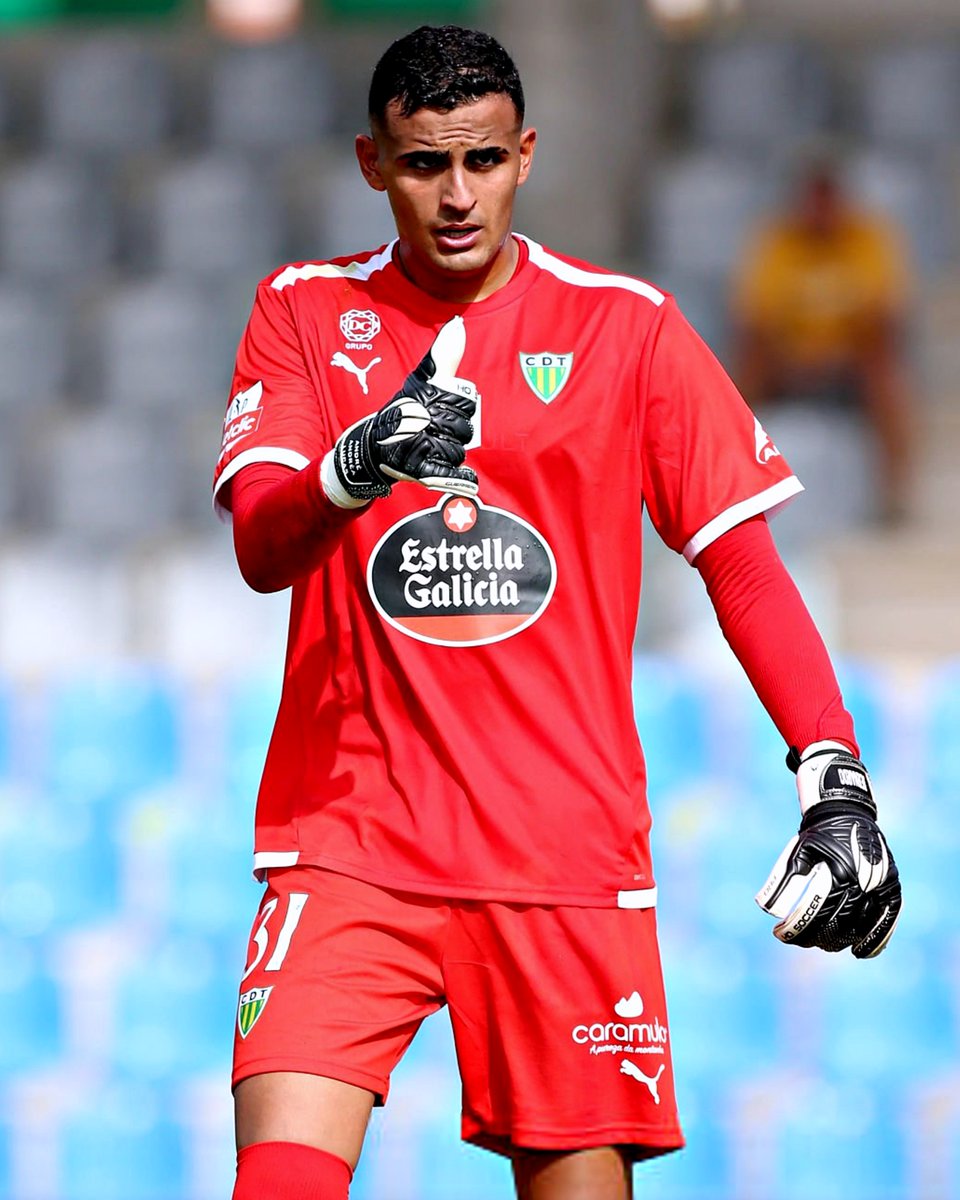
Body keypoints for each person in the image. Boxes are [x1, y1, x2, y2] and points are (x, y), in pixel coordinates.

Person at [213, 26, 902, 1200]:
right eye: (425, 163)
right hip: (352, 846)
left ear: (524, 154)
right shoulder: (304, 312)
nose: (457, 194)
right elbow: (262, 548)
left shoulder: (626, 327)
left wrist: (832, 772)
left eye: (482, 160)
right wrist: (351, 469)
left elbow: (741, 564)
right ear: (373, 164)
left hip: (563, 856)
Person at [732, 154, 915, 525]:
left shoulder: (868, 239)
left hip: (850, 362)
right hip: (787, 361)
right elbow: (756, 315)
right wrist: (795, 358)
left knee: (883, 366)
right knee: (748, 362)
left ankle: (893, 490)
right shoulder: (777, 241)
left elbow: (884, 313)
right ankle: (733, 479)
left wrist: (835, 355)